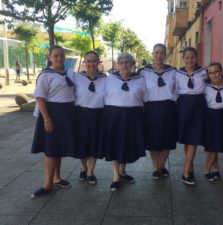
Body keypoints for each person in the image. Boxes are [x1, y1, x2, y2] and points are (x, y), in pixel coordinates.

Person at [97, 52, 146, 191]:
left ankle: (122, 172)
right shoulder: (109, 80)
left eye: (127, 62)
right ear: (117, 65)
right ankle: (115, 176)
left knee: (126, 144)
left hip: (132, 116)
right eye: (121, 62)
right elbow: (101, 97)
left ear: (132, 64)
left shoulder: (140, 80)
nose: (124, 65)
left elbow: (144, 98)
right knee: (115, 144)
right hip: (113, 116)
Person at [31, 45, 75, 197]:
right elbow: (40, 98)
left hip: (66, 114)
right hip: (52, 114)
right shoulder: (45, 75)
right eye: (55, 56)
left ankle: (57, 178)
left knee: (58, 148)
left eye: (61, 55)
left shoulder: (69, 72)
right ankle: (47, 184)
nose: (59, 58)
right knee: (50, 150)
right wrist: (47, 119)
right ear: (49, 57)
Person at [140, 43, 177, 179]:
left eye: (162, 53)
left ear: (165, 55)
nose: (159, 55)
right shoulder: (144, 72)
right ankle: (156, 167)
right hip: (150, 109)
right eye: (156, 52)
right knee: (153, 140)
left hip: (168, 108)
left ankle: (161, 166)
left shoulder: (173, 71)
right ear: (152, 54)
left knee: (167, 139)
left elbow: (178, 90)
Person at [71, 51, 106, 185]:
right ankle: (83, 167)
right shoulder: (77, 78)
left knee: (94, 144)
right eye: (88, 61)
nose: (91, 64)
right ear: (84, 62)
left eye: (94, 61)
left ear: (98, 63)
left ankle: (90, 172)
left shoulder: (105, 79)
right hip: (81, 114)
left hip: (98, 115)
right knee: (82, 144)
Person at [176, 47, 207, 186]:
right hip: (183, 107)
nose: (190, 60)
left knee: (193, 140)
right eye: (187, 58)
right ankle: (191, 167)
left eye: (192, 57)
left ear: (197, 58)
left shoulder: (203, 72)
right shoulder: (178, 74)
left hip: (198, 107)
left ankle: (185, 172)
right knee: (187, 139)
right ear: (183, 59)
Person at [204, 62, 223, 182]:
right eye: (211, 73)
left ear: (221, 71)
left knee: (217, 144)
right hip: (209, 117)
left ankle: (209, 169)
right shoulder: (206, 87)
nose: (214, 75)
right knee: (212, 145)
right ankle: (213, 169)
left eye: (216, 72)